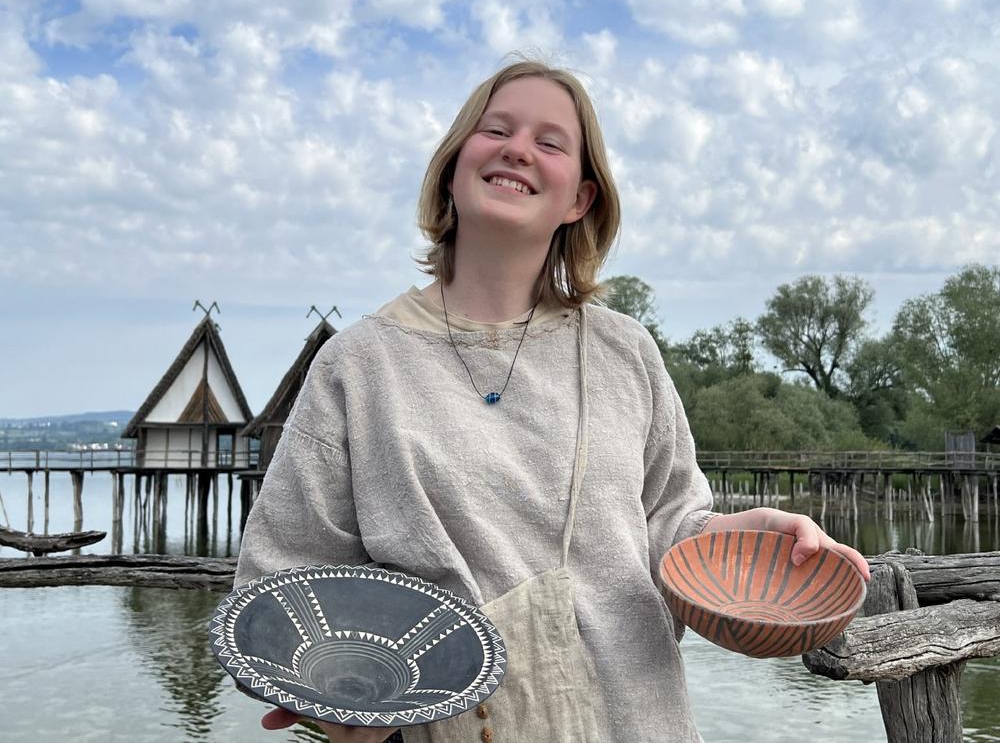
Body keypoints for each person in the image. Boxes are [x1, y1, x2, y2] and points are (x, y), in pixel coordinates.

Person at [234, 59, 871, 743]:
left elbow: (666, 530)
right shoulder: (359, 365)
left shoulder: (626, 352)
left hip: (639, 720)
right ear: (452, 167)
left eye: (550, 142)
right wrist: (337, 692)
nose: (516, 148)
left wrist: (737, 536)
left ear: (580, 199)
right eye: (496, 129)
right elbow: (284, 574)